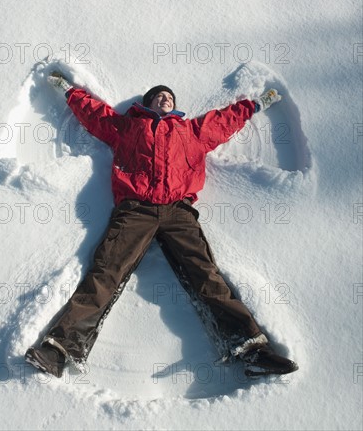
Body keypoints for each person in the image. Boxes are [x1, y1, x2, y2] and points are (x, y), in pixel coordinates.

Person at [25, 72, 299, 379]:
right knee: (106, 273)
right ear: (147, 104)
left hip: (178, 211)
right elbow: (95, 115)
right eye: (158, 96)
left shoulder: (192, 131)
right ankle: (59, 350)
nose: (164, 98)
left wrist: (257, 104)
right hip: (135, 210)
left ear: (175, 105)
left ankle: (252, 351)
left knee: (205, 275)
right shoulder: (128, 126)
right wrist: (69, 91)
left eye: (169, 96)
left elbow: (225, 121)